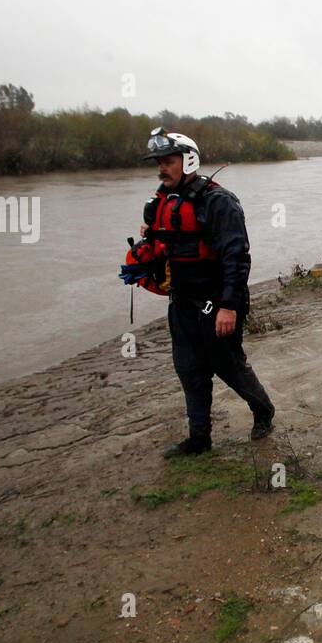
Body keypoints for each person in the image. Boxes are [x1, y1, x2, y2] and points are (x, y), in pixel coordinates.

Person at [120, 127, 275, 455]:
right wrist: (147, 250)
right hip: (182, 304)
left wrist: (229, 306)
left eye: (168, 161)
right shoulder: (162, 203)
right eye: (158, 162)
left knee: (230, 366)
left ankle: (263, 410)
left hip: (217, 302)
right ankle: (199, 439)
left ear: (187, 161)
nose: (161, 168)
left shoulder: (219, 202)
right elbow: (166, 248)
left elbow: (237, 256)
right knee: (189, 370)